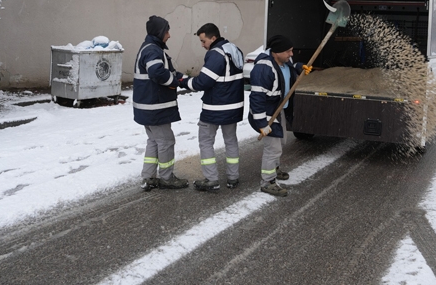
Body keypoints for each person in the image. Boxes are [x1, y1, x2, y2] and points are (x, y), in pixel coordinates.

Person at [180, 23, 245, 191]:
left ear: (213, 38)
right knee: (231, 141)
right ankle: (233, 177)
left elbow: (203, 82)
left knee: (206, 141)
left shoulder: (216, 54)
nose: (203, 45)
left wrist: (184, 81)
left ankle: (211, 179)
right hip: (234, 106)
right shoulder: (235, 50)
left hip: (215, 108)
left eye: (204, 41)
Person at [248, 35, 311, 197]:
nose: (291, 54)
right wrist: (262, 123)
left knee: (282, 141)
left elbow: (290, 66)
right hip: (267, 115)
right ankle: (268, 181)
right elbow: (257, 99)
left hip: (279, 109)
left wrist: (299, 67)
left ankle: (274, 168)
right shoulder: (263, 69)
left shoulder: (283, 61)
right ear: (276, 52)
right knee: (273, 148)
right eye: (288, 51)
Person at [133, 15, 189, 191]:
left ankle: (148, 177)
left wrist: (184, 79)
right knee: (166, 141)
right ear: (159, 32)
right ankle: (166, 178)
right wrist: (174, 82)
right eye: (167, 31)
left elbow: (166, 71)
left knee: (154, 141)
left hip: (147, 107)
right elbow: (157, 72)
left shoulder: (151, 48)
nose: (169, 35)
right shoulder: (153, 50)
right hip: (155, 108)